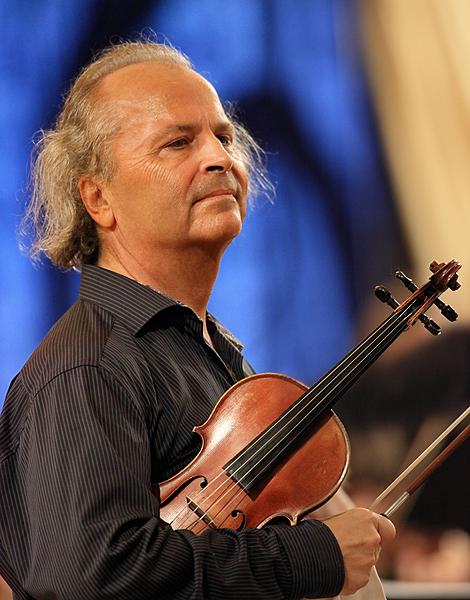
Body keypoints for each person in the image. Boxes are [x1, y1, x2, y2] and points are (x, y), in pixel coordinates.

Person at [0, 40, 395, 599]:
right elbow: (90, 579)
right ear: (98, 198)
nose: (219, 158)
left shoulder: (206, 351)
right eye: (178, 142)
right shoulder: (89, 367)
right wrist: (311, 556)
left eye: (224, 136)